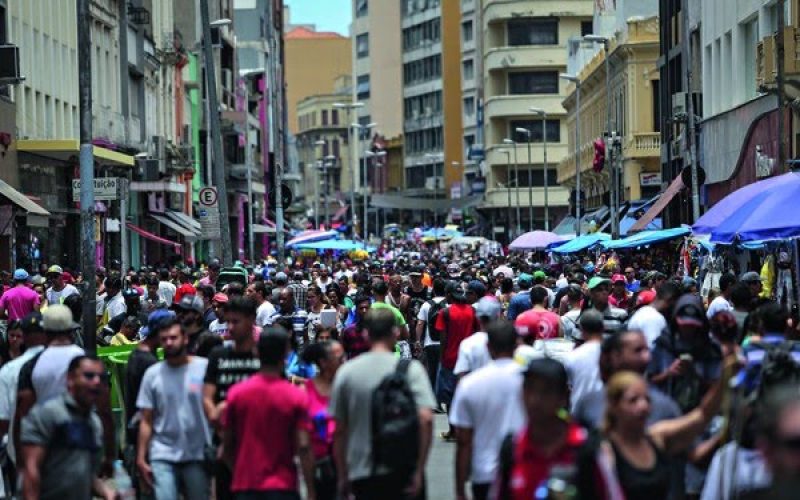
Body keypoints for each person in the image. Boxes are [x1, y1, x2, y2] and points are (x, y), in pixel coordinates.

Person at [330, 308, 436, 500]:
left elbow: (339, 430)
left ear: (365, 334)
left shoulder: (347, 372)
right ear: (395, 332)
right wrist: (419, 469)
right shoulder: (412, 370)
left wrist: (343, 476)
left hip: (362, 472)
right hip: (403, 470)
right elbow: (426, 419)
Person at [491, 358, 620, 500]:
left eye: (545, 392)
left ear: (563, 397)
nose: (534, 400)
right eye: (529, 389)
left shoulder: (587, 448)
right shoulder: (512, 449)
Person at [600, 365, 735, 500]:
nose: (643, 406)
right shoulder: (604, 451)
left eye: (647, 399)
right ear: (614, 405)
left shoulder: (657, 438)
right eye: (633, 400)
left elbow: (701, 416)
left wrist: (724, 379)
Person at [222, 326, 316, 500]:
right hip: (283, 486)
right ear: (286, 354)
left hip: (246, 487)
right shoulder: (297, 396)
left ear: (256, 352)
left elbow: (226, 447)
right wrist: (311, 491)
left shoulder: (236, 393)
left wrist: (241, 472)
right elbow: (303, 446)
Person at [136, 316, 211, 499]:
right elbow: (146, 419)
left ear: (185, 339)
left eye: (173, 337)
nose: (169, 343)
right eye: (164, 339)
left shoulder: (204, 368)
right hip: (162, 454)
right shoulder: (152, 375)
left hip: (196, 454)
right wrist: (141, 457)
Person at [20, 355, 115, 500]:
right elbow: (30, 471)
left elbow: (84, 474)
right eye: (89, 376)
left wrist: (106, 492)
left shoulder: (94, 423)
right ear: (70, 379)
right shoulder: (47, 414)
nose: (96, 382)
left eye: (101, 377)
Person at [451, 320, 525, 500]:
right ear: (516, 344)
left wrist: (460, 490)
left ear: (488, 347)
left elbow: (463, 441)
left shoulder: (469, 384)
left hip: (484, 473)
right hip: (524, 471)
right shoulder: (531, 381)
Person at [572, 330, 680, 429]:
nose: (646, 357)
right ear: (615, 356)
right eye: (638, 350)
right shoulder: (589, 403)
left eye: (647, 350)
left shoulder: (665, 407)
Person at [0, 313, 46, 490]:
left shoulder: (8, 371)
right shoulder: (67, 364)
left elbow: (4, 420)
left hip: (20, 454)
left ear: (24, 336)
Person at [302, 341, 345, 500]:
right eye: (339, 359)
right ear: (323, 362)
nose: (344, 362)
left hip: (349, 466)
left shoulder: (347, 388)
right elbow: (304, 444)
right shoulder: (305, 392)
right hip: (320, 468)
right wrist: (310, 489)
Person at [435, 282, 479, 440]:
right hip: (469, 359)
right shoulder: (472, 311)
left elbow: (443, 339)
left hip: (450, 359)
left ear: (449, 295)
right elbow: (477, 333)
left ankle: (453, 430)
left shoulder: (445, 312)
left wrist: (442, 359)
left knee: (450, 397)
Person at [453, 296, 503, 378]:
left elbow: (461, 375)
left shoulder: (467, 344)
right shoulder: (507, 340)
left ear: (478, 317)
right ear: (498, 316)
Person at [564, 309, 605, 408]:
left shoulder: (572, 356)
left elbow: (567, 388)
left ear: (581, 330)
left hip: (579, 411)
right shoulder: (614, 355)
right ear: (603, 328)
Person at [628, 281, 680, 348]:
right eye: (675, 304)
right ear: (670, 299)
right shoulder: (654, 318)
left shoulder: (644, 311)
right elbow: (653, 349)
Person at [415, 278, 447, 387]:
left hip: (430, 344)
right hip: (445, 344)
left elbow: (420, 324)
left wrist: (418, 341)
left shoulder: (426, 304)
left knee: (431, 373)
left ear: (433, 289)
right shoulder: (449, 305)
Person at [340, 295, 372, 359]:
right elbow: (344, 352)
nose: (364, 310)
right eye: (361, 308)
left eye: (366, 308)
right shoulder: (349, 331)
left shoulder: (378, 330)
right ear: (356, 310)